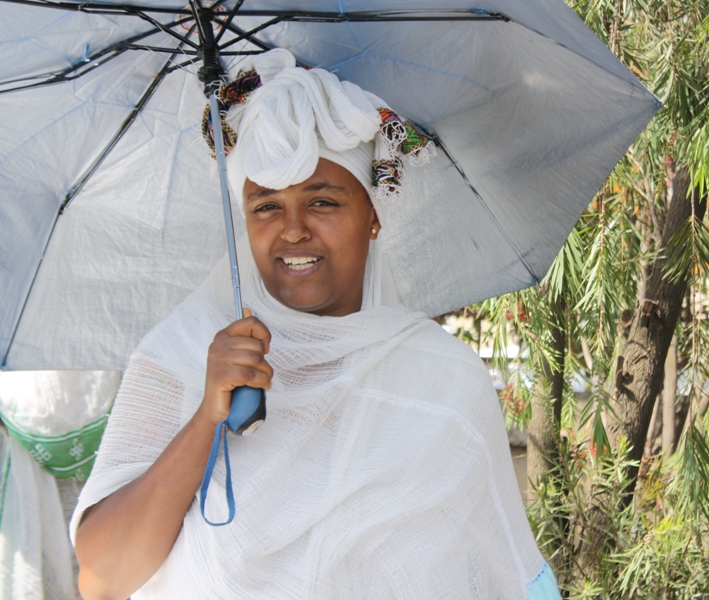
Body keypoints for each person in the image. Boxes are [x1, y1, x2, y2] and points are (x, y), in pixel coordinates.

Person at [71, 49, 561, 599]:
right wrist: (208, 415)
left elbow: (496, 578)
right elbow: (103, 577)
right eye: (266, 207)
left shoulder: (443, 385)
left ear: (373, 216)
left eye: (322, 201)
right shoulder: (183, 358)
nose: (294, 230)